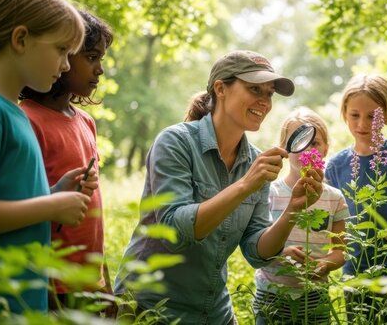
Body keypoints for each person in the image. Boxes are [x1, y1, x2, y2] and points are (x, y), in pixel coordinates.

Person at [113, 50, 324, 324]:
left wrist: (293, 211)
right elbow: (174, 231)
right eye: (254, 89)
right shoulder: (175, 143)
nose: (264, 101)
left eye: (269, 93)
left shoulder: (255, 159)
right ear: (220, 88)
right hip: (152, 308)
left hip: (213, 312)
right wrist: (245, 184)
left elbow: (255, 250)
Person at [0, 0, 93, 323]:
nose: (65, 65)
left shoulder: (12, 111)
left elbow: (8, 202)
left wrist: (55, 193)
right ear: (20, 40)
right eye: (61, 50)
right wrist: (50, 205)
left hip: (19, 305)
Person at [19, 10, 114, 312]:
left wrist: (105, 283)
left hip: (92, 281)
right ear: (63, 55)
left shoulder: (85, 122)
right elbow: (25, 208)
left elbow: (91, 213)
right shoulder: (25, 119)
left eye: (102, 59)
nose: (99, 69)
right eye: (91, 57)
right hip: (51, 286)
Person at [324, 74, 387, 322]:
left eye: (372, 116)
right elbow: (330, 221)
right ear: (344, 113)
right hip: (354, 268)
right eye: (354, 115)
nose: (363, 124)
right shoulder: (336, 165)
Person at [252, 107, 349, 324]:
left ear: (325, 149)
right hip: (271, 294)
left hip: (315, 296)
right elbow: (255, 243)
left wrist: (324, 265)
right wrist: (281, 251)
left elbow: (341, 251)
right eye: (298, 142)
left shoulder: (334, 198)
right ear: (284, 149)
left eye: (314, 143)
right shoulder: (269, 192)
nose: (307, 150)